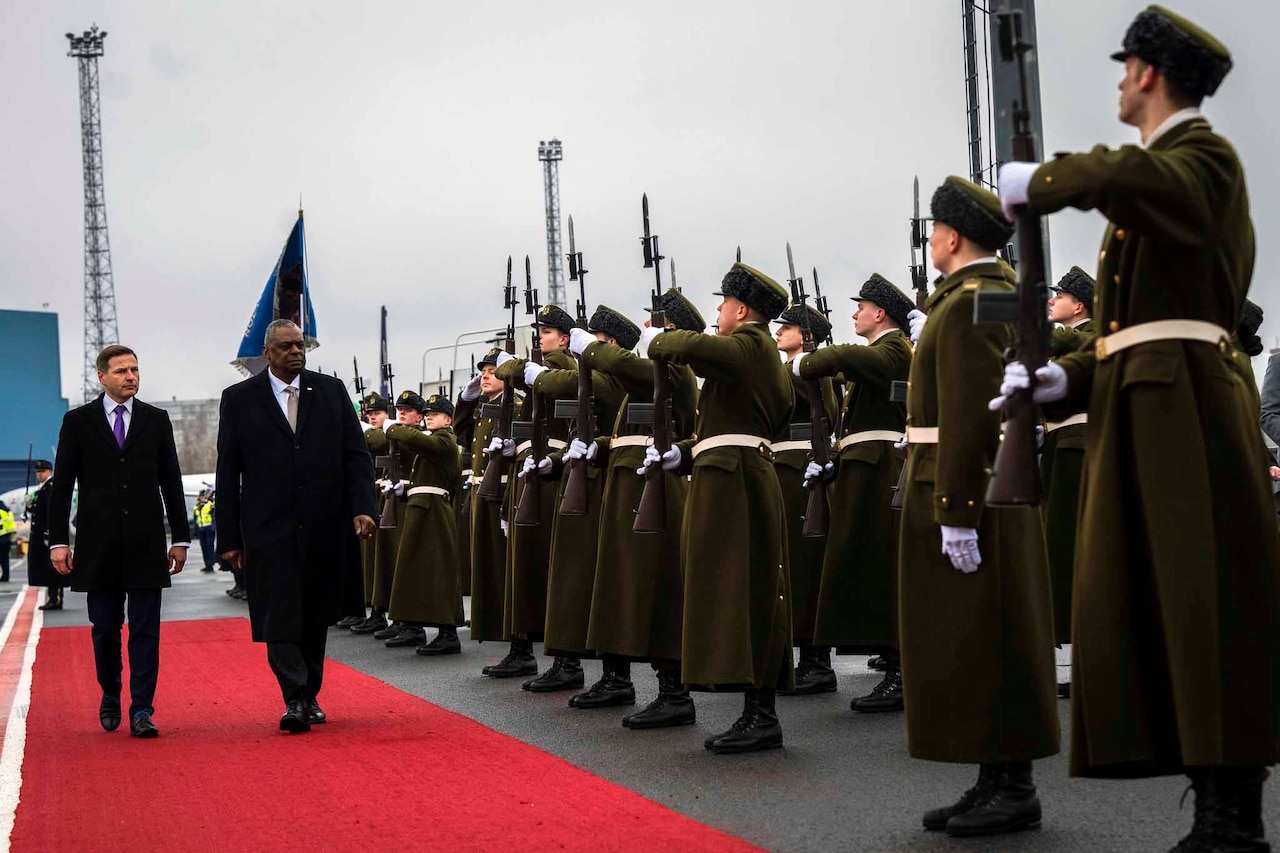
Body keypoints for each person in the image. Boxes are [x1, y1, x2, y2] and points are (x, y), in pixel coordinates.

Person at [996, 7, 1280, 848]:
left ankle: (1234, 812)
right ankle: (1212, 790)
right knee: (1157, 602)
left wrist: (1044, 181)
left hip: (1187, 406)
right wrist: (1063, 378)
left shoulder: (1202, 158)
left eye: (1126, 69)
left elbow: (1148, 195)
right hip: (1145, 402)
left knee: (1206, 599)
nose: (1120, 81)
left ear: (1150, 73)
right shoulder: (1159, 178)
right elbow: (1130, 327)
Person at [903, 177, 1058, 836]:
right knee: (974, 635)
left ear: (953, 235)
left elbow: (968, 411)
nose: (929, 239)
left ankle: (1013, 783)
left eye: (934, 228)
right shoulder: (968, 297)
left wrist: (957, 508)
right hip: (969, 481)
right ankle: (993, 776)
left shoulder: (974, 298)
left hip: (975, 488)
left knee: (991, 634)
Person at [641, 262, 795, 755]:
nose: (717, 314)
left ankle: (761, 713)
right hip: (725, 475)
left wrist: (659, 339)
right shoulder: (747, 356)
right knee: (731, 588)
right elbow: (727, 419)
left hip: (738, 481)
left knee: (746, 588)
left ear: (742, 309)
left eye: (722, 305)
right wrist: (685, 452)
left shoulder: (752, 346)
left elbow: (693, 348)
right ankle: (754, 708)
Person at [216, 319, 376, 733]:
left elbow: (355, 455)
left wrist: (363, 507)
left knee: (315, 615)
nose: (296, 352)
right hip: (268, 528)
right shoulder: (238, 400)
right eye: (286, 346)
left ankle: (308, 696)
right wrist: (229, 537)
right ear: (267, 352)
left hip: (325, 522)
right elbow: (227, 471)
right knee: (278, 615)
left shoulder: (330, 391)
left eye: (300, 345)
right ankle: (294, 695)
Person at [48, 344, 191, 738]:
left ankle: (142, 708)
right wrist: (58, 541)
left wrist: (180, 538)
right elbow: (62, 486)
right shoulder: (78, 422)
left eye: (135, 370)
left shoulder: (155, 420)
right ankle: (110, 691)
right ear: (102, 377)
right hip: (98, 547)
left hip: (147, 545)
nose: (131, 377)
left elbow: (171, 482)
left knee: (146, 631)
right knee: (105, 628)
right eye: (122, 371)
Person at [792, 274, 914, 712]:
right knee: (870, 567)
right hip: (865, 469)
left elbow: (848, 358)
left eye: (860, 307)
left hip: (880, 469)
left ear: (880, 313)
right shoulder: (880, 353)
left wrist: (811, 359)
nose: (853, 314)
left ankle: (901, 672)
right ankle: (895, 664)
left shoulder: (894, 348)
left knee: (884, 568)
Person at [580, 290, 702, 729]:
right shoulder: (650, 375)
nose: (648, 335)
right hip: (627, 487)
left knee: (659, 586)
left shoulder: (679, 373)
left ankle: (674, 690)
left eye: (659, 329)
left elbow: (624, 368)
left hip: (659, 490)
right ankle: (616, 676)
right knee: (619, 582)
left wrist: (591, 349)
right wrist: (599, 447)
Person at [527, 306, 632, 709]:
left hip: (602, 485)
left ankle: (613, 675)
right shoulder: (592, 374)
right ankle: (569, 658)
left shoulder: (613, 376)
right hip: (580, 479)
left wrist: (537, 374)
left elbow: (581, 385)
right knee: (571, 576)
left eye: (599, 342)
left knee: (594, 579)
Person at [494, 307, 574, 690]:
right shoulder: (541, 372)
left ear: (565, 339)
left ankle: (559, 656)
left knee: (541, 563)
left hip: (548, 472)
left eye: (549, 331)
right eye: (539, 331)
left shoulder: (559, 367)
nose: (542, 337)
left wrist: (512, 366)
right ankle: (523, 645)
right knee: (524, 562)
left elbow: (528, 376)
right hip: (531, 468)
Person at [454, 348, 537, 676]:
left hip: (503, 493)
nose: (486, 376)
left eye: (492, 371)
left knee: (507, 570)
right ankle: (506, 634)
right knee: (489, 569)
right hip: (481, 494)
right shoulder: (482, 409)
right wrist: (466, 397)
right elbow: (460, 434)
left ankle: (520, 644)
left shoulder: (515, 406)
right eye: (483, 371)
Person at [770, 303, 838, 696]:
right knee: (791, 565)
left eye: (789, 327)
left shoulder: (809, 368)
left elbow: (823, 414)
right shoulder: (796, 369)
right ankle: (804, 656)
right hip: (786, 466)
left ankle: (816, 659)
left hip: (800, 469)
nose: (780, 332)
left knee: (807, 564)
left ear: (807, 336)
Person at [1041, 267, 1096, 699]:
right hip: (1062, 447)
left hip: (1083, 448)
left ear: (1078, 304)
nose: (1051, 301)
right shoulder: (1068, 341)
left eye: (1057, 295)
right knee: (1064, 553)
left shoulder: (1090, 335)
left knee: (1083, 551)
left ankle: (1097, 663)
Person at [384, 393, 466, 655]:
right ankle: (412, 624)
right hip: (421, 508)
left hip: (434, 510)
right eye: (427, 413)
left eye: (435, 413)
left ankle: (448, 633)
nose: (429, 416)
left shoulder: (445, 441)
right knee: (414, 568)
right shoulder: (432, 441)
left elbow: (412, 437)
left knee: (440, 569)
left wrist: (392, 427)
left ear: (449, 419)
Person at [345, 392, 391, 632]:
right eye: (370, 414)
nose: (374, 418)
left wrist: (358, 428)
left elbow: (377, 441)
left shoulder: (387, 434)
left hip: (388, 501)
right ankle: (366, 607)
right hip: (373, 497)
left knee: (379, 560)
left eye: (378, 414)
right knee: (367, 560)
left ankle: (379, 610)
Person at [25, 460, 63, 610]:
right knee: (46, 569)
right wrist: (29, 507)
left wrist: (49, 533)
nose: (39, 474)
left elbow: (51, 513)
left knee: (52, 568)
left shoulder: (50, 488)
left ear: (49, 471)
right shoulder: (43, 489)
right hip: (40, 535)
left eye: (42, 471)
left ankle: (55, 598)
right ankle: (52, 597)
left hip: (46, 535)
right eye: (37, 472)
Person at [193, 490, 217, 572]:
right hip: (201, 528)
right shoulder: (197, 506)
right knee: (204, 547)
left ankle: (211, 564)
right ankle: (207, 564)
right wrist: (196, 531)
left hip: (209, 528)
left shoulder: (210, 505)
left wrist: (213, 527)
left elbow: (214, 517)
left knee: (209, 546)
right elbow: (196, 519)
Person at [0, 498, 13, 583]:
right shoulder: (8, 512)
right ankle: (6, 576)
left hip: (0, 537)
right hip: (7, 538)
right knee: (5, 559)